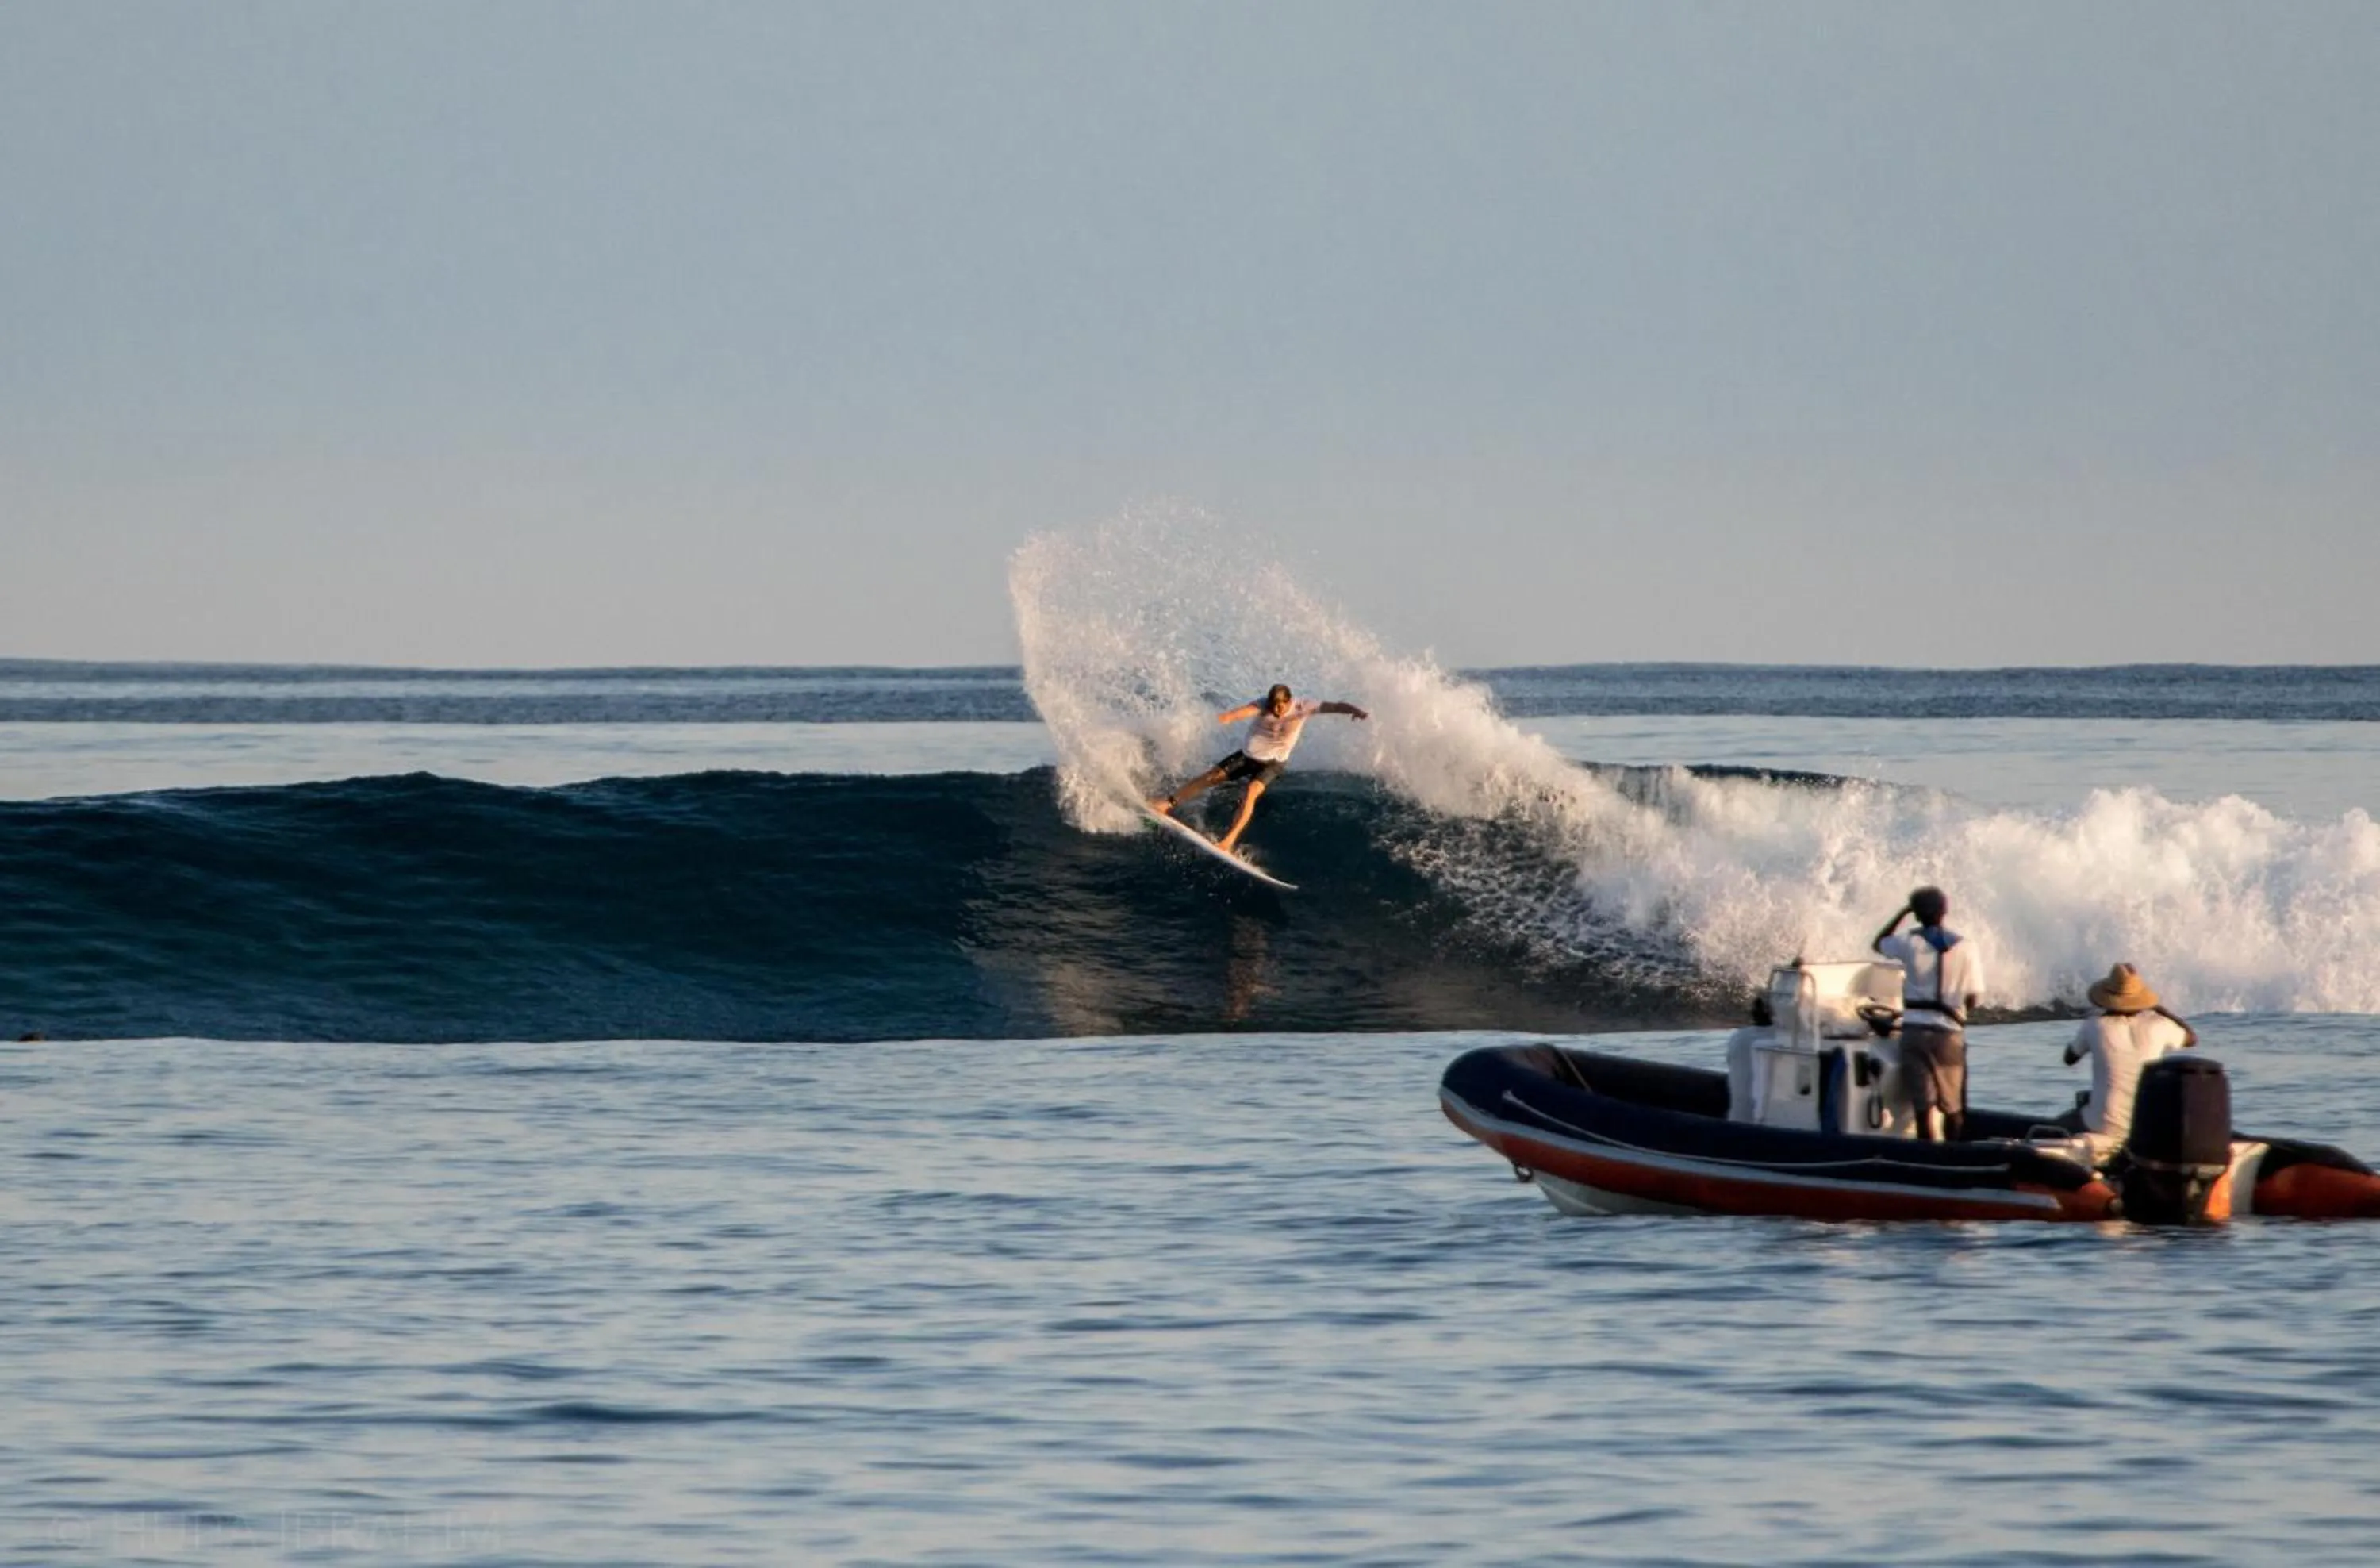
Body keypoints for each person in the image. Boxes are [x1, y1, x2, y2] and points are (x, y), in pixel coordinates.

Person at [1148, 683, 1368, 853]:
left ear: (1290, 701)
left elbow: (1335, 706)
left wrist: (1355, 710)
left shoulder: (1304, 706)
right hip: (1248, 756)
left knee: (1251, 792)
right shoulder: (1263, 704)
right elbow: (1242, 712)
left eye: (1280, 706)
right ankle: (1168, 803)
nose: (1276, 710)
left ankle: (1229, 840)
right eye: (1273, 706)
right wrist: (1226, 717)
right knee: (1211, 776)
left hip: (1274, 763)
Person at [1873, 886, 1985, 1141]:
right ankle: (1954, 1160)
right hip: (1949, 1035)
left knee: (1923, 1111)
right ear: (1944, 911)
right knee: (1954, 1109)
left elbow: (1879, 943)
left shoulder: (1908, 941)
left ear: (1916, 914)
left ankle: (1926, 1157)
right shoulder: (1967, 947)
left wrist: (1902, 913)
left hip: (1914, 1033)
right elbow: (1973, 998)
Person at [2061, 963, 2197, 1162]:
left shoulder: (2095, 1025)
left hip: (2102, 1125)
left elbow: (2069, 1058)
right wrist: (2158, 1008)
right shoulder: (2158, 1025)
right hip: (2145, 1123)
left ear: (2107, 996)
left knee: (2053, 1127)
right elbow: (2191, 1038)